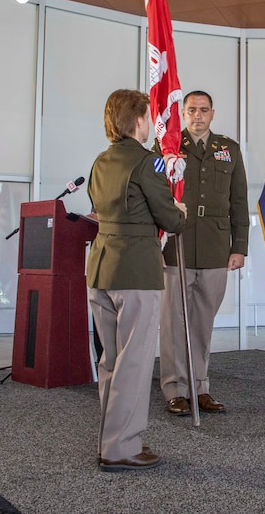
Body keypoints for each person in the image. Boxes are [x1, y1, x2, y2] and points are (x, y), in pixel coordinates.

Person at [87, 89, 187, 472]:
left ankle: (111, 441)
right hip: (136, 274)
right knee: (133, 362)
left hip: (101, 270)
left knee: (111, 362)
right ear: (138, 120)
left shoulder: (100, 162)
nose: (150, 122)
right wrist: (179, 210)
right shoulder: (149, 163)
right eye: (148, 115)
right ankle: (121, 448)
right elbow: (171, 219)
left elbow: (98, 210)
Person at [157, 90, 249, 416]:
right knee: (173, 323)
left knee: (203, 324)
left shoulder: (229, 150)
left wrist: (239, 248)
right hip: (175, 247)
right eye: (192, 110)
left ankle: (199, 387)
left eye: (204, 110)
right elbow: (154, 198)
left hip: (215, 248)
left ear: (213, 113)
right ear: (182, 113)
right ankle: (175, 389)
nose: (198, 115)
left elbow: (239, 202)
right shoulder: (167, 148)